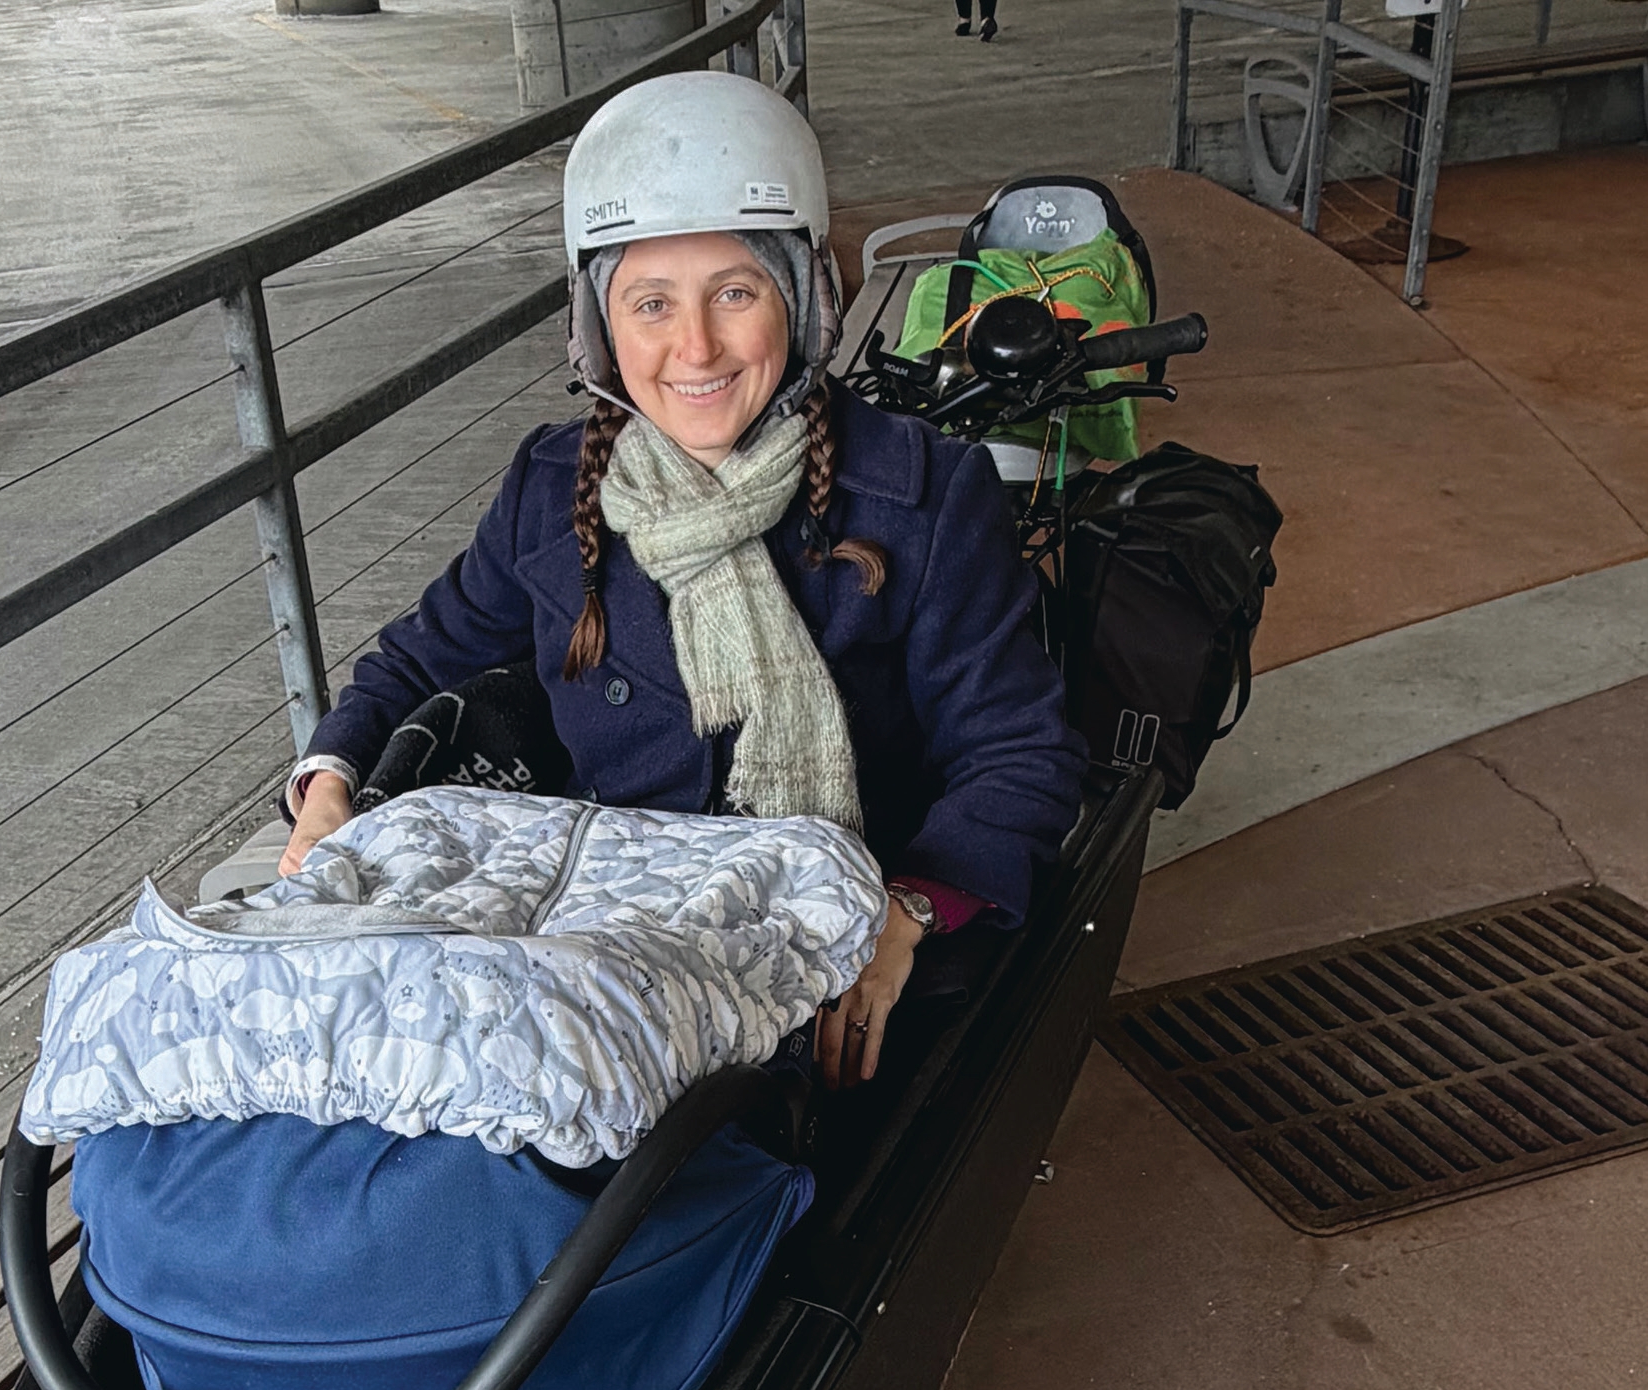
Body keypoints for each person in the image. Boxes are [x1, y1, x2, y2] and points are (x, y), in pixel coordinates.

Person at [278, 71, 1085, 1094]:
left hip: (833, 940)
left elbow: (1015, 750)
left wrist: (905, 914)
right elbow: (416, 658)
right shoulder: (549, 489)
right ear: (599, 327)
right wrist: (330, 784)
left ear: (802, 298)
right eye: (649, 304)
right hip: (602, 949)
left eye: (734, 294)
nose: (693, 348)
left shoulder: (921, 497)